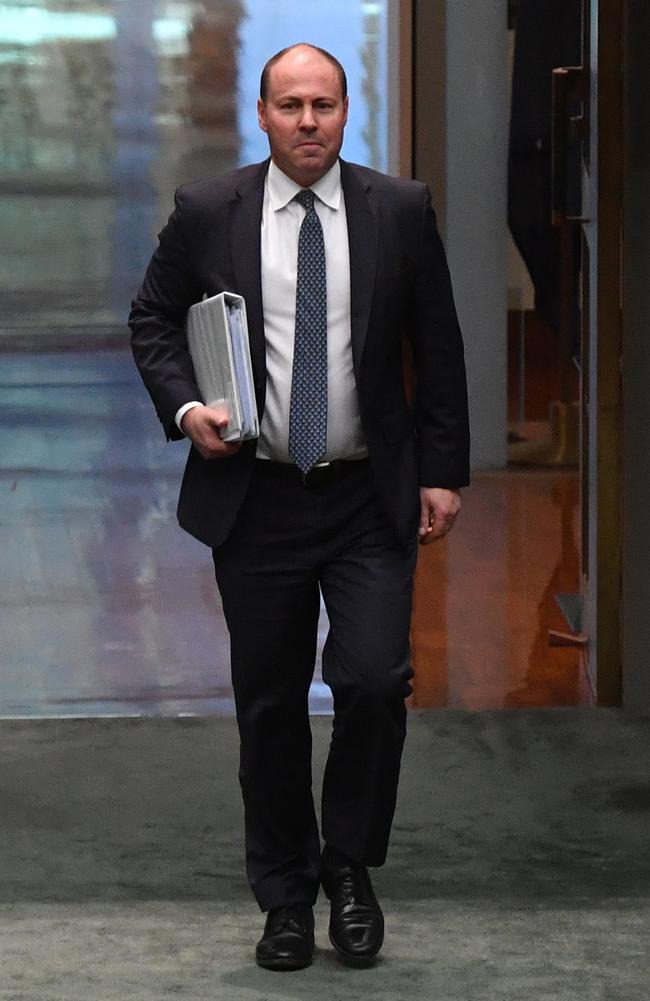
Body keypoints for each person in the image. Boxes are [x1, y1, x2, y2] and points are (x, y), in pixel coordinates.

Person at [129, 42, 470, 971]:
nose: (308, 121)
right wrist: (189, 408)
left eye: (324, 104)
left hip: (368, 493)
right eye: (291, 105)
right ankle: (284, 897)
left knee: (370, 681)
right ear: (263, 113)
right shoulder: (210, 212)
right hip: (261, 496)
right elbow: (151, 319)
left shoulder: (398, 209)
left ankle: (350, 868)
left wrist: (444, 470)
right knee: (269, 704)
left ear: (347, 110)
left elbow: (436, 343)